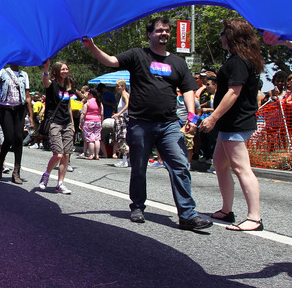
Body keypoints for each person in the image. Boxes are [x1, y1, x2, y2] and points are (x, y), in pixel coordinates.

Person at [83, 17, 212, 230]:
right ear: (150, 34)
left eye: (167, 31)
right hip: (140, 124)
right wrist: (92, 46)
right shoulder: (137, 55)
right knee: (139, 168)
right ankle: (137, 207)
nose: (164, 34)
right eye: (160, 30)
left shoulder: (178, 63)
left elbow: (189, 89)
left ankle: (188, 215)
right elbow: (110, 61)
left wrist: (192, 116)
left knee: (180, 166)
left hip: (169, 124)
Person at [200, 19, 264, 231]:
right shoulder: (244, 59)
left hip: (236, 122)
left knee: (241, 168)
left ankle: (254, 218)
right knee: (220, 163)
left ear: (233, 36)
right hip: (232, 123)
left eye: (223, 32)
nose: (220, 36)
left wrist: (213, 117)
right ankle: (227, 210)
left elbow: (233, 92)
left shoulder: (238, 60)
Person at [37, 60, 77, 193]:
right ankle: (46, 175)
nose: (65, 71)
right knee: (58, 154)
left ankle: (60, 184)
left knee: (66, 155)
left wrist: (71, 124)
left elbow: (69, 106)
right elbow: (45, 81)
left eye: (66, 69)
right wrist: (46, 69)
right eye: (62, 69)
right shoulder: (52, 85)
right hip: (54, 122)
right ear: (56, 71)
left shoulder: (68, 85)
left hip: (67, 123)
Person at [0, 65, 34, 184]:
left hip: (20, 110)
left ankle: (16, 171)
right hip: (5, 109)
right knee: (9, 138)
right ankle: (0, 163)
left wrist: (31, 116)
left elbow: (27, 97)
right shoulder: (2, 72)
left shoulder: (24, 75)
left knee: (19, 138)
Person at [80, 88, 103, 160]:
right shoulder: (100, 102)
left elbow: (83, 113)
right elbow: (102, 114)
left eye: (89, 94)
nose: (88, 95)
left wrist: (81, 122)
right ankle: (97, 155)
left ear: (91, 95)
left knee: (90, 139)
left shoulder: (88, 103)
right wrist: (101, 122)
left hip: (89, 121)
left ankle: (91, 154)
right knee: (97, 138)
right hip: (98, 121)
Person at [113, 79, 131, 167]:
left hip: (123, 119)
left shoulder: (124, 94)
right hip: (123, 118)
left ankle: (124, 161)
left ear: (123, 86)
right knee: (124, 139)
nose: (117, 88)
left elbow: (128, 104)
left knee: (123, 138)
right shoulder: (123, 95)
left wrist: (119, 114)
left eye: (118, 86)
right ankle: (127, 160)